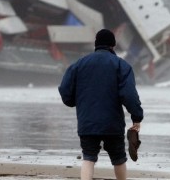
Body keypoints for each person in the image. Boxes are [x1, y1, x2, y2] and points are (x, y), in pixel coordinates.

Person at [58, 29, 144, 180]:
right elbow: (129, 94)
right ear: (113, 45)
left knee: (88, 157)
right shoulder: (121, 65)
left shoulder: (79, 65)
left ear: (95, 44)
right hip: (112, 123)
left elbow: (65, 90)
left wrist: (73, 102)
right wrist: (137, 117)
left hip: (87, 122)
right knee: (118, 157)